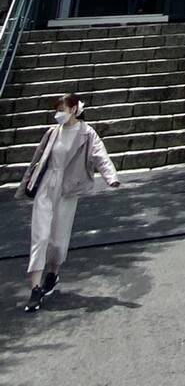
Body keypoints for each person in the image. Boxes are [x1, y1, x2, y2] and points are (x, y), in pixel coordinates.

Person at [16, 93, 119, 312]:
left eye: (62, 109)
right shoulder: (52, 133)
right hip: (45, 185)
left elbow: (100, 155)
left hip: (68, 188)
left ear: (73, 109)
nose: (58, 113)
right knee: (40, 236)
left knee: (57, 238)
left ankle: (52, 274)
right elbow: (38, 159)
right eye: (57, 109)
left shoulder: (86, 133)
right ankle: (35, 289)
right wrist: (26, 184)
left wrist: (111, 177)